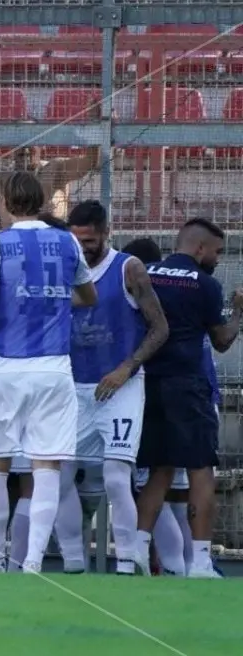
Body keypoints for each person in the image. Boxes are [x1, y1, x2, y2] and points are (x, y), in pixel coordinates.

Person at [0, 171, 97, 573]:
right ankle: (34, 562)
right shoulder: (67, 242)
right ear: (41, 201)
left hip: (6, 364)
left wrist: (8, 313)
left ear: (5, 203)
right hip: (54, 367)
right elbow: (87, 296)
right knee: (47, 466)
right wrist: (53, 307)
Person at [54, 200, 168, 575]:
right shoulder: (63, 267)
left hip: (120, 388)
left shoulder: (128, 269)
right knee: (58, 475)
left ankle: (126, 561)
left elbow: (160, 328)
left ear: (106, 232)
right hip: (74, 388)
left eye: (89, 239)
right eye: (76, 239)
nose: (82, 247)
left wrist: (125, 368)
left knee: (118, 476)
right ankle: (73, 561)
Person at [135, 218, 243, 578]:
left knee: (158, 471)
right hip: (188, 386)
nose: (217, 258)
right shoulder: (206, 285)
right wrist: (239, 310)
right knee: (200, 471)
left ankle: (134, 552)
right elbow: (222, 340)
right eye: (216, 251)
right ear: (199, 248)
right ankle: (199, 561)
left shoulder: (146, 273)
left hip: (148, 383)